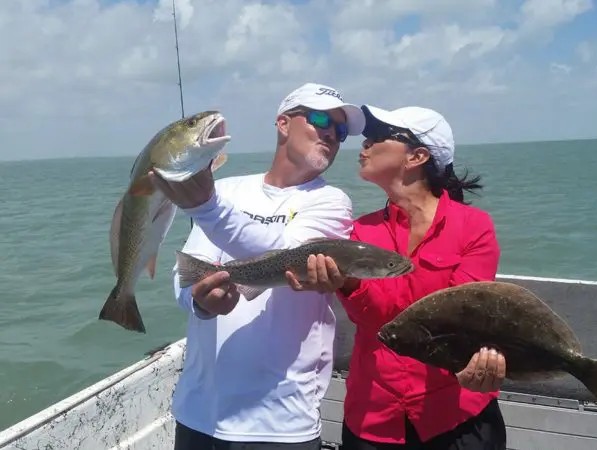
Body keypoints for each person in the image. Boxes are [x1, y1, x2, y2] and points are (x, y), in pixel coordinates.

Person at [148, 82, 366, 449]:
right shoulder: (227, 189)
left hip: (279, 422)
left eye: (340, 130)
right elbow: (185, 273)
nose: (331, 132)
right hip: (198, 412)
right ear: (283, 123)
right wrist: (200, 302)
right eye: (318, 119)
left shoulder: (331, 202)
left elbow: (287, 257)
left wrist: (205, 208)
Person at [285, 104, 508, 449]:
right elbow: (374, 318)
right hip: (374, 418)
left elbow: (456, 316)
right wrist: (346, 281)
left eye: (377, 137)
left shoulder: (474, 227)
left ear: (417, 156)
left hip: (457, 415)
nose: (365, 145)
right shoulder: (359, 232)